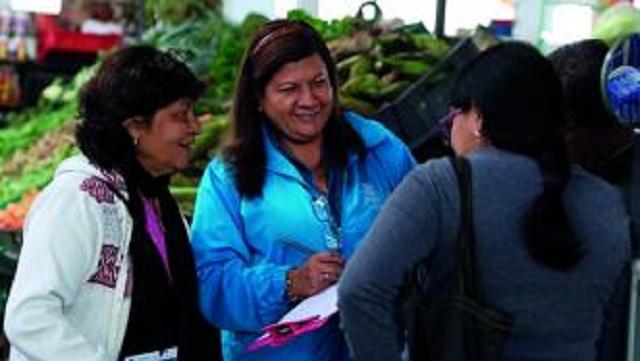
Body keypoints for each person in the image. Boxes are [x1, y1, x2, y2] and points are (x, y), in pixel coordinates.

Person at [338, 42, 631, 361]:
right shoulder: (608, 202)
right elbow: (616, 329)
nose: (449, 131)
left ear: (477, 116)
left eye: (453, 116)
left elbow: (359, 292)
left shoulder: (441, 185)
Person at [190, 19, 416, 361]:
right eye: (289, 89)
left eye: (319, 83)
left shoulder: (380, 149)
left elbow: (429, 242)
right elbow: (211, 283)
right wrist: (291, 282)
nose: (309, 100)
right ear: (258, 100)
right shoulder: (228, 177)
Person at [4, 45, 220, 361]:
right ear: (134, 127)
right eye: (180, 115)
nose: (195, 127)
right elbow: (29, 317)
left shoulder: (158, 199)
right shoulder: (78, 199)